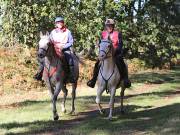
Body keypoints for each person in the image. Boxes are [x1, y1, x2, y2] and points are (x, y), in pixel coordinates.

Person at [87, 19, 131, 88]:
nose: (109, 27)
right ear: (106, 26)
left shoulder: (118, 33)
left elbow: (120, 44)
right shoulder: (103, 33)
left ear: (113, 26)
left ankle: (125, 79)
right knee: (97, 63)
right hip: (105, 54)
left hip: (116, 53)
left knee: (121, 62)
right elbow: (101, 44)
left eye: (111, 26)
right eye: (108, 26)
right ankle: (93, 80)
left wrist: (116, 50)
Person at [34, 16, 75, 83]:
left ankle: (71, 76)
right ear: (56, 24)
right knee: (43, 59)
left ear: (63, 23)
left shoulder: (68, 31)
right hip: (54, 49)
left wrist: (63, 47)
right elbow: (49, 40)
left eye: (61, 22)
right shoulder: (53, 32)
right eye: (58, 23)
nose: (60, 24)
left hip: (64, 49)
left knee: (70, 59)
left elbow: (71, 42)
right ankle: (39, 74)